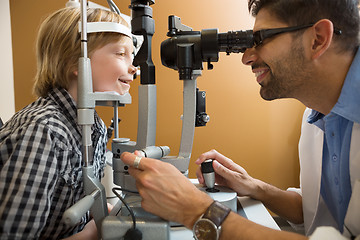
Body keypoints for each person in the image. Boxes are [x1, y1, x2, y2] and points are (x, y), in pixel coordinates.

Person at [120, 0, 360, 239]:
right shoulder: (316, 115)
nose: (247, 58)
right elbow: (314, 209)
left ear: (317, 39)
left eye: (260, 40)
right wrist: (254, 187)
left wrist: (195, 211)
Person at [0, 6, 136, 240]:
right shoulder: (44, 131)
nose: (134, 68)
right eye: (121, 53)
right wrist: (94, 233)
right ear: (76, 62)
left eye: (132, 56)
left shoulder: (94, 126)